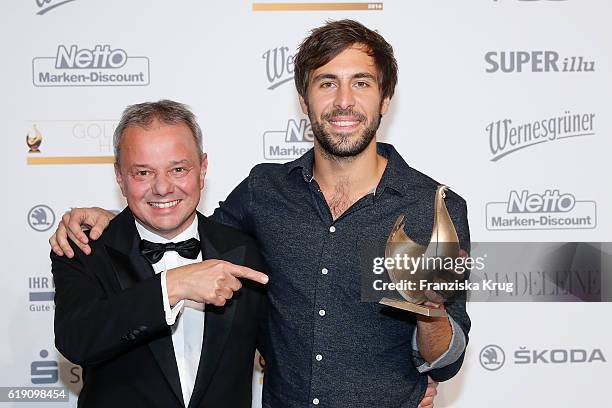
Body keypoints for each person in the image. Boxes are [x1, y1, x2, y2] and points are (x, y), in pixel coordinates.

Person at [51, 20, 470, 408]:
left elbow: (447, 360)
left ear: (386, 97)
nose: (344, 101)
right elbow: (178, 221)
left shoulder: (433, 208)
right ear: (304, 100)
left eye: (361, 83)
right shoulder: (263, 191)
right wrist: (109, 215)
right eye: (327, 83)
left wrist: (430, 311)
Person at [51, 100, 269, 408]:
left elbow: (287, 349)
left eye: (178, 169)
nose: (163, 188)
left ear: (203, 168)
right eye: (143, 173)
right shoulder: (84, 248)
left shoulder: (245, 250)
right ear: (119, 176)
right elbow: (77, 340)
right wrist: (173, 285)